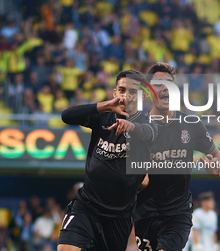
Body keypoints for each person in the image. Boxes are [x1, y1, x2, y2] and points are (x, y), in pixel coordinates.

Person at [58, 70, 156, 251]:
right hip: (86, 206)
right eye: (122, 90)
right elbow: (66, 116)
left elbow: (151, 134)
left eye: (133, 92)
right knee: (65, 248)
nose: (126, 96)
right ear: (115, 93)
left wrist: (131, 126)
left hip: (118, 217)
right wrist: (104, 106)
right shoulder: (103, 116)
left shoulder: (148, 120)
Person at [134, 62, 220, 251]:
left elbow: (218, 156)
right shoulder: (137, 127)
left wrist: (216, 167)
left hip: (178, 213)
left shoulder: (191, 124)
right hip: (145, 214)